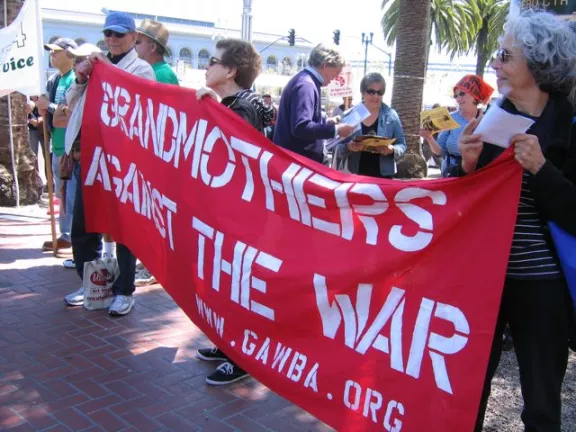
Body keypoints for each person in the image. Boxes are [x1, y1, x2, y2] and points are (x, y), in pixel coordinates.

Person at [452, 11, 576, 431]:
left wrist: (542, 169)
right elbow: (460, 208)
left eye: (505, 55)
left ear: (538, 64)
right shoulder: (490, 120)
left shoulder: (570, 127)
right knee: (466, 389)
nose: (495, 64)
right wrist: (466, 169)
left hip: (545, 287)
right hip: (483, 280)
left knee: (541, 401)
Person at [63, 12, 155, 317]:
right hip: (87, 157)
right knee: (83, 227)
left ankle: (124, 289)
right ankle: (90, 282)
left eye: (119, 34)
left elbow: (144, 107)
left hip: (120, 161)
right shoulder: (95, 65)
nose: (112, 40)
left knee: (124, 228)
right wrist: (81, 76)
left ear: (133, 37)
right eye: (108, 34)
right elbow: (71, 100)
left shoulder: (140, 68)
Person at [195, 38, 269, 386]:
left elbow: (237, 151)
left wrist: (217, 111)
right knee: (228, 282)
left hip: (243, 218)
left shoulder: (243, 107)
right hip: (234, 215)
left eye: (213, 61)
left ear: (230, 71)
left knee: (239, 284)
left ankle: (242, 357)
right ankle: (228, 345)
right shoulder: (234, 102)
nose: (207, 67)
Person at [134, 19, 180, 287]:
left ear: (152, 46)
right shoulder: (153, 70)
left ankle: (154, 265)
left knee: (156, 211)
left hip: (159, 157)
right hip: (154, 155)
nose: (135, 46)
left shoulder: (160, 74)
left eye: (138, 42)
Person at [273, 43, 354, 163]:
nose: (336, 77)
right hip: (297, 164)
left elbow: (300, 122)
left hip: (295, 162)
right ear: (326, 65)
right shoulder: (306, 85)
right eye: (336, 72)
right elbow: (300, 127)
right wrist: (336, 130)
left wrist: (325, 123)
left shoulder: (306, 82)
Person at [36, 37, 78, 251]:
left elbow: (71, 111)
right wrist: (39, 108)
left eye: (56, 52)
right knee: (61, 194)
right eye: (51, 52)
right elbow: (49, 108)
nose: (52, 55)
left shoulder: (75, 79)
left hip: (71, 150)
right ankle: (65, 234)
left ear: (70, 54)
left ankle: (70, 234)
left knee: (71, 196)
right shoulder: (54, 80)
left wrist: (49, 106)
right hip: (57, 147)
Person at [420, 74, 493, 177]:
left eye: (462, 94)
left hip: (479, 174)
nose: (458, 98)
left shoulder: (488, 120)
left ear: (475, 96)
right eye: (456, 95)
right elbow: (440, 152)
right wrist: (429, 138)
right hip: (452, 174)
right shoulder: (450, 118)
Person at [336, 73, 406, 178]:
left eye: (380, 92)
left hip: (383, 179)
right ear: (363, 92)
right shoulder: (349, 115)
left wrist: (392, 150)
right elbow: (337, 147)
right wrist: (349, 147)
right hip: (354, 176)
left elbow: (402, 145)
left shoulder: (391, 115)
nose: (376, 96)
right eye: (371, 92)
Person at [135, 19, 179, 85]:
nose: (134, 45)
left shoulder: (162, 75)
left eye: (137, 41)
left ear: (153, 47)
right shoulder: (156, 71)